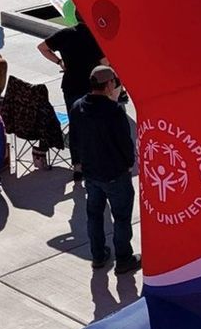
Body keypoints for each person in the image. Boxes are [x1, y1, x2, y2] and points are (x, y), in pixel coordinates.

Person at [71, 66, 139, 273]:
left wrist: (80, 163)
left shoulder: (77, 107)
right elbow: (125, 143)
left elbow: (74, 139)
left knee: (94, 216)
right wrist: (129, 164)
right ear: (109, 84)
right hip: (115, 174)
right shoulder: (114, 110)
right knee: (121, 218)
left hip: (91, 174)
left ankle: (98, 255)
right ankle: (124, 258)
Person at [38, 18, 105, 115]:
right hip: (92, 85)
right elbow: (105, 62)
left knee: (74, 119)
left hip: (71, 85)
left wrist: (59, 61)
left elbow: (42, 48)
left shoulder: (65, 34)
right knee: (94, 122)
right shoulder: (95, 37)